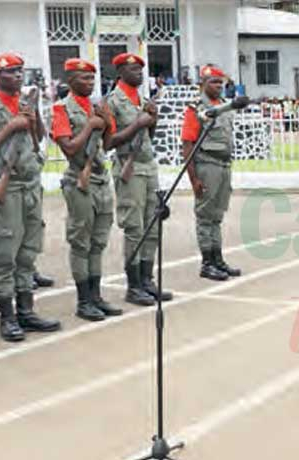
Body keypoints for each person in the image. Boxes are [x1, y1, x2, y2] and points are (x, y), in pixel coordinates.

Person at [0, 52, 62, 342]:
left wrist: (33, 120)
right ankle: (7, 317)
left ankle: (26, 311)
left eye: (21, 70)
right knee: (3, 255)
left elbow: (40, 138)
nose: (19, 76)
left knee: (27, 253)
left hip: (31, 187)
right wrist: (10, 127)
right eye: (11, 72)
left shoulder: (24, 103)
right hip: (5, 191)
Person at [50, 58, 122, 321]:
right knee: (81, 242)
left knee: (98, 241)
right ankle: (83, 301)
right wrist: (91, 126)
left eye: (92, 78)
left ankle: (96, 295)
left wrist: (104, 124)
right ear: (70, 81)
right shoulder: (62, 109)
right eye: (84, 78)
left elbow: (109, 143)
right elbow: (68, 147)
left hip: (101, 179)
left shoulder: (95, 106)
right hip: (78, 179)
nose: (90, 83)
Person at [104, 53, 173, 306]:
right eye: (133, 69)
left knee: (152, 225)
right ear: (120, 71)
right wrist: (138, 123)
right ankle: (133, 286)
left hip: (147, 165)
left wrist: (151, 122)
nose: (139, 73)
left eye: (141, 69)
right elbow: (108, 142)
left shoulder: (142, 100)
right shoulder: (111, 102)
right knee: (134, 228)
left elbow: (148, 138)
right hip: (128, 167)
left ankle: (147, 279)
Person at [180, 65, 243, 282]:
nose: (218, 86)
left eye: (220, 83)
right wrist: (194, 179)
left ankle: (218, 259)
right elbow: (187, 145)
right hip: (207, 166)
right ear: (203, 85)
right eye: (213, 83)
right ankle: (207, 262)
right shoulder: (196, 109)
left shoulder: (224, 107)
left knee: (217, 216)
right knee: (205, 216)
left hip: (224, 166)